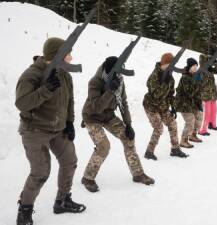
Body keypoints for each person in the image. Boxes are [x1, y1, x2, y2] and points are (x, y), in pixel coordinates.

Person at [15, 37, 85, 225]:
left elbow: (69, 101)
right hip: (34, 130)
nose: (71, 57)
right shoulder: (32, 75)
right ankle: (24, 211)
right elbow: (22, 103)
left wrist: (69, 122)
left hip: (57, 129)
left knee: (70, 161)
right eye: (68, 53)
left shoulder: (64, 74)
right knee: (40, 172)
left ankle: (62, 201)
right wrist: (45, 90)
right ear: (58, 55)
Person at [81, 56, 154, 193]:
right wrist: (109, 91)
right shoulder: (95, 82)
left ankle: (138, 174)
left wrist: (128, 124)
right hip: (92, 117)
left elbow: (123, 103)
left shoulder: (119, 81)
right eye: (118, 71)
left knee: (128, 138)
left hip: (108, 116)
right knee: (104, 146)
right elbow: (97, 107)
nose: (121, 75)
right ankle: (88, 177)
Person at [143, 53, 188, 160]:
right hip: (151, 106)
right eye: (169, 64)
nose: (171, 67)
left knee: (173, 124)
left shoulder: (170, 77)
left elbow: (171, 94)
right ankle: (149, 151)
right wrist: (164, 83)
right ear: (163, 64)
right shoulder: (154, 76)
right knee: (158, 128)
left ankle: (175, 149)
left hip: (162, 106)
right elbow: (156, 95)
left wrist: (173, 107)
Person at [175, 58, 203, 148]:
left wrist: (199, 103)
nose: (195, 68)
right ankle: (183, 140)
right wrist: (197, 82)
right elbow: (190, 92)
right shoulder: (185, 77)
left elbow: (199, 91)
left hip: (193, 102)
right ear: (189, 67)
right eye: (194, 66)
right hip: (184, 103)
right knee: (190, 121)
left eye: (196, 66)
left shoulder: (194, 76)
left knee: (199, 117)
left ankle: (193, 135)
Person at [198, 54, 217, 136]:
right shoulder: (200, 71)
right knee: (207, 113)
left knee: (214, 111)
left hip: (213, 94)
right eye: (208, 61)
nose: (209, 63)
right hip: (205, 95)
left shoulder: (210, 69)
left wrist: (216, 63)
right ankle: (203, 130)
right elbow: (198, 83)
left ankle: (212, 124)